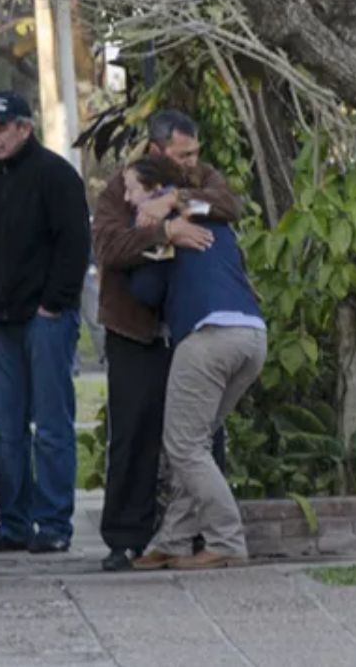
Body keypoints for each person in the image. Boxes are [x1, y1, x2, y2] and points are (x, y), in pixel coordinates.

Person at [91, 109, 242, 571]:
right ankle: (126, 537)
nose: (193, 161)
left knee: (201, 435)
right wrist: (162, 230)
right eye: (182, 154)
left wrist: (175, 200)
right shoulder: (118, 190)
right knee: (133, 431)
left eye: (195, 152)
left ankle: (197, 534)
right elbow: (109, 248)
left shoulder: (197, 179)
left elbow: (228, 205)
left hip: (190, 329)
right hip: (134, 328)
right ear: (157, 150)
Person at [124, 155, 266, 570]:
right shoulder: (202, 212)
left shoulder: (166, 227)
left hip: (208, 336)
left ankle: (227, 540)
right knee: (196, 444)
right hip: (252, 334)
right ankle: (174, 540)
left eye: (133, 189)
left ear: (154, 190)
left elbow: (147, 291)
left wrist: (149, 235)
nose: (128, 197)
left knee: (183, 446)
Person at [0, 91, 90, 554]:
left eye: (2, 127)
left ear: (25, 127)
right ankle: (14, 523)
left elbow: (75, 244)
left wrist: (54, 304)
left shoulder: (56, 175)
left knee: (53, 427)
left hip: (45, 319)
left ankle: (54, 524)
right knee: (4, 429)